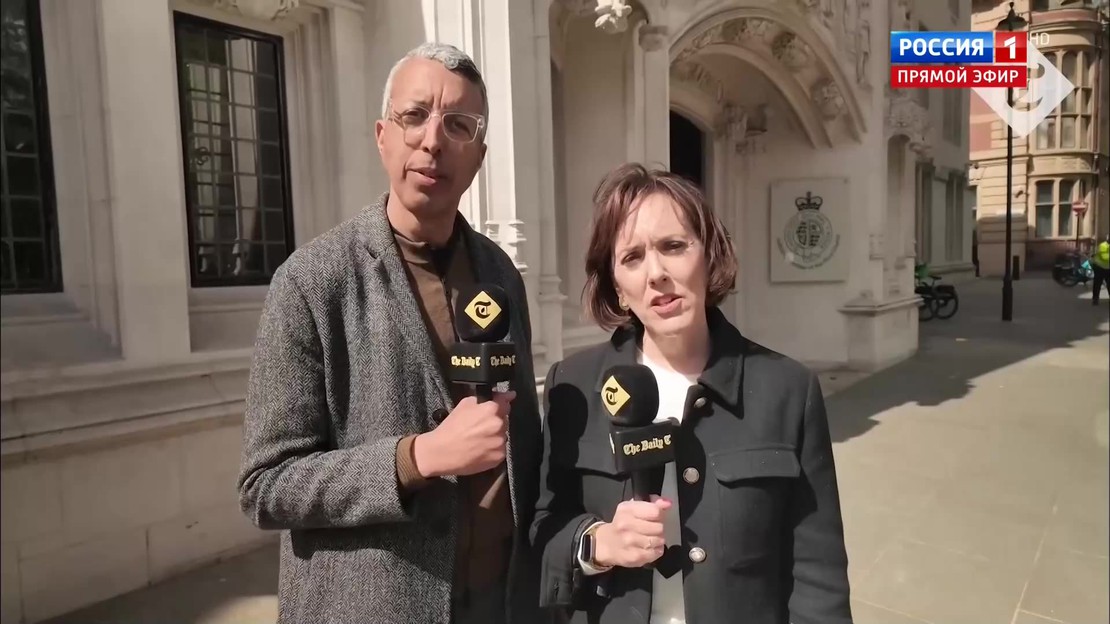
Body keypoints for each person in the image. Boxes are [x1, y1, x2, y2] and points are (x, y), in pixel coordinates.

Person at [237, 42, 542, 624]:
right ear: (383, 135)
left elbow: (523, 435)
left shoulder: (500, 273)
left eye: (458, 125)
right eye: (414, 115)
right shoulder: (311, 281)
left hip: (501, 602)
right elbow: (266, 485)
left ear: (479, 156)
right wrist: (418, 457)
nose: (433, 140)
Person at [530, 164, 852, 624]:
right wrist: (596, 543)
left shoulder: (787, 389)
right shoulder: (574, 386)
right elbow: (541, 530)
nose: (656, 273)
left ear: (709, 256)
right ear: (617, 287)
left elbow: (818, 575)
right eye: (632, 257)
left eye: (673, 246)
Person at [1090, 237, 1110, 306]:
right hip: (1099, 267)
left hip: (1107, 268)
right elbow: (1105, 257)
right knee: (1097, 284)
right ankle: (1095, 299)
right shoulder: (1103, 245)